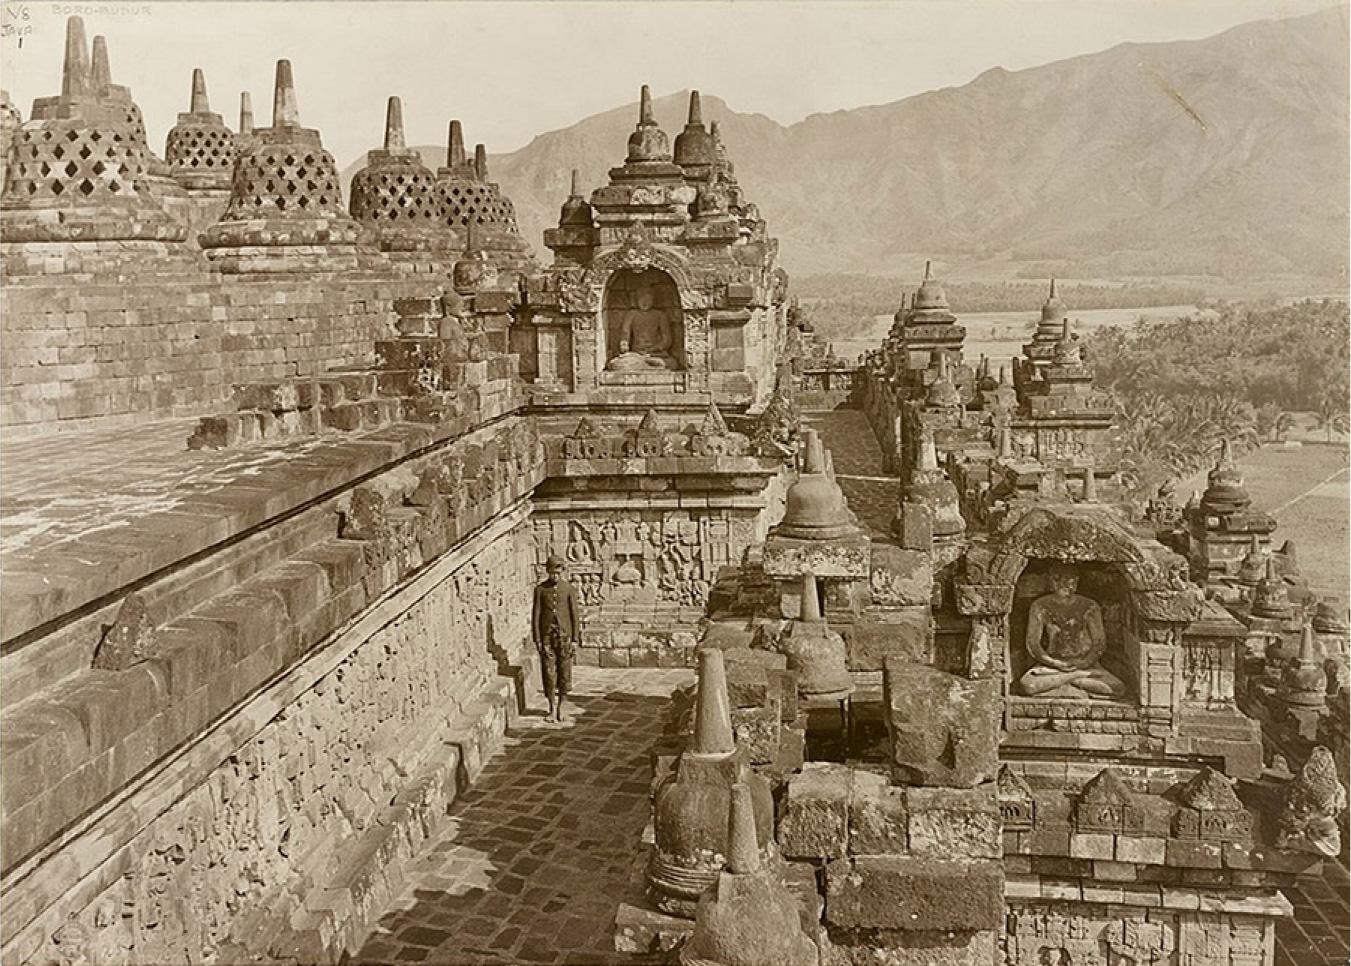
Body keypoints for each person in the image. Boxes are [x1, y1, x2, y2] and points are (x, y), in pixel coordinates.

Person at [1017, 564, 1126, 700]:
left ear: (1076, 582)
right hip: (1052, 666)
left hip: (1085, 665)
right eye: (1057, 579)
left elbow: (1099, 643)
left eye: (1069, 580)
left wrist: (1084, 663)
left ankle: (1066, 681)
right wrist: (1054, 663)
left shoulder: (1089, 606)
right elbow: (1033, 644)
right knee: (1028, 685)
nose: (1064, 584)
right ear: (1050, 581)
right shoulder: (1040, 606)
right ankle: (1074, 679)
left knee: (1116, 688)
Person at [532, 553, 582, 721]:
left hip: (564, 637)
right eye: (553, 572)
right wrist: (537, 640)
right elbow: (536, 615)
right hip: (547, 638)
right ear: (548, 571)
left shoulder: (568, 589)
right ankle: (551, 706)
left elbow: (574, 615)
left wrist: (575, 639)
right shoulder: (540, 590)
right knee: (548, 671)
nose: (555, 575)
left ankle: (562, 705)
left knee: (564, 671)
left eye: (559, 572)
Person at [608, 288, 677, 370]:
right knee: (616, 364)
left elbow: (667, 340)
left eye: (648, 299)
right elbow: (625, 334)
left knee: (671, 363)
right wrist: (624, 344)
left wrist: (654, 348)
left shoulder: (660, 315)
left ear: (653, 300)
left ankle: (644, 365)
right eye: (641, 299)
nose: (644, 302)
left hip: (656, 353)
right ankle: (648, 366)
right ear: (637, 300)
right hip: (636, 353)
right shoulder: (631, 314)